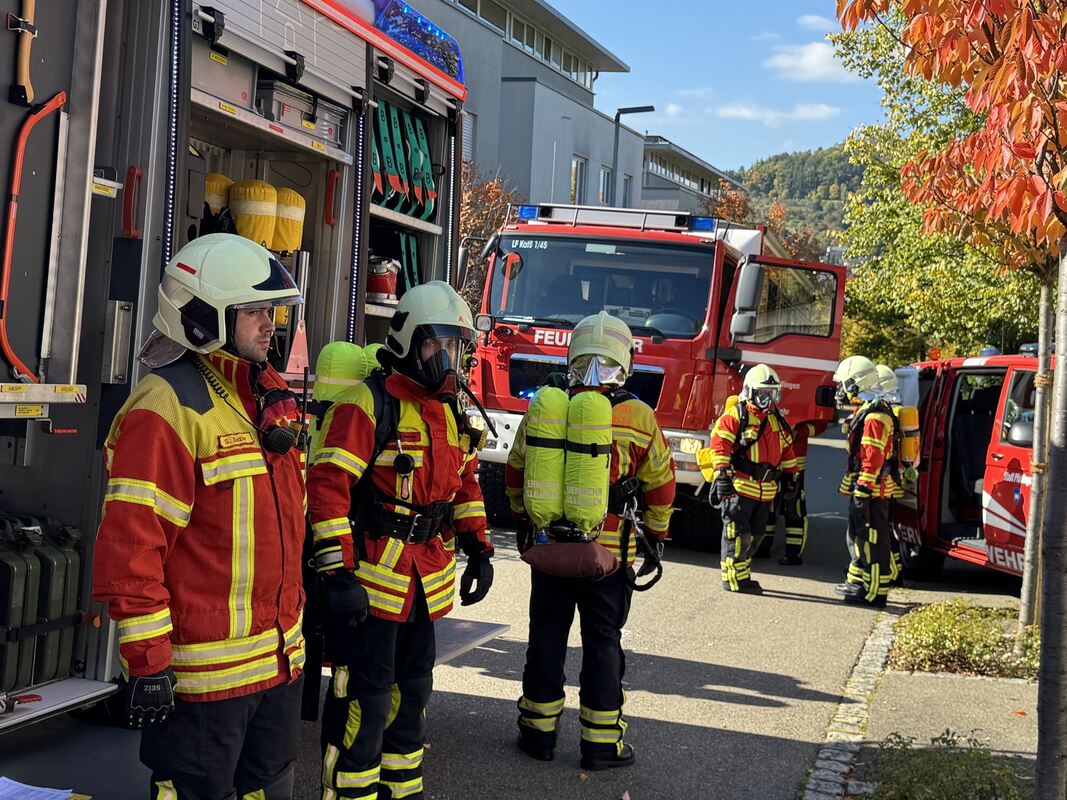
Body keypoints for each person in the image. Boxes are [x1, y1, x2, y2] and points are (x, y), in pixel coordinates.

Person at [92, 234, 308, 799]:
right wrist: (148, 664)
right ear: (202, 317)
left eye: (271, 312)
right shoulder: (165, 408)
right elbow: (132, 550)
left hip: (278, 665)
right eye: (255, 312)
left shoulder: (264, 394)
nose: (270, 325)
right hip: (204, 683)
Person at [307, 281, 493, 800]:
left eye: (455, 346)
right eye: (437, 344)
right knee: (363, 702)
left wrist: (478, 547)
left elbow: (465, 484)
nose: (447, 358)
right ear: (410, 340)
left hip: (426, 585)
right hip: (371, 585)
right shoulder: (367, 404)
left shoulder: (449, 410)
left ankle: (401, 791)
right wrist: (337, 574)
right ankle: (349, 794)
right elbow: (327, 491)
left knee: (413, 697)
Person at [506, 311, 675, 771]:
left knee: (546, 639)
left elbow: (516, 471)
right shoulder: (639, 416)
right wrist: (655, 538)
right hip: (609, 557)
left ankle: (537, 735)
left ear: (572, 355)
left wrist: (527, 521)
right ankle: (601, 745)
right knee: (603, 642)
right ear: (626, 361)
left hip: (550, 551)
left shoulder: (547, 405)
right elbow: (660, 484)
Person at [700, 364, 798, 593]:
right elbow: (720, 445)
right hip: (740, 488)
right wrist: (721, 474)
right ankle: (734, 579)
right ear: (750, 391)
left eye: (771, 393)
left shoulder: (776, 419)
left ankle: (742, 574)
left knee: (756, 536)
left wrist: (792, 476)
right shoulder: (736, 415)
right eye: (763, 393)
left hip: (765, 491)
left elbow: (786, 449)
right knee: (736, 535)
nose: (767, 398)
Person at [833, 355, 903, 607]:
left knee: (873, 540)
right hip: (871, 488)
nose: (840, 389)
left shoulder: (874, 416)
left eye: (843, 383)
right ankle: (861, 585)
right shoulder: (870, 410)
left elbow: (872, 457)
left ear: (856, 383)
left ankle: (874, 594)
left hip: (872, 489)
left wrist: (862, 488)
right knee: (863, 538)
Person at [761, 418, 829, 566]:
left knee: (794, 506)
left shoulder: (802, 400)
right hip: (771, 459)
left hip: (795, 461)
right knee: (766, 502)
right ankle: (762, 546)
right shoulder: (765, 398)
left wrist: (800, 431)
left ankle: (793, 553)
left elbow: (821, 424)